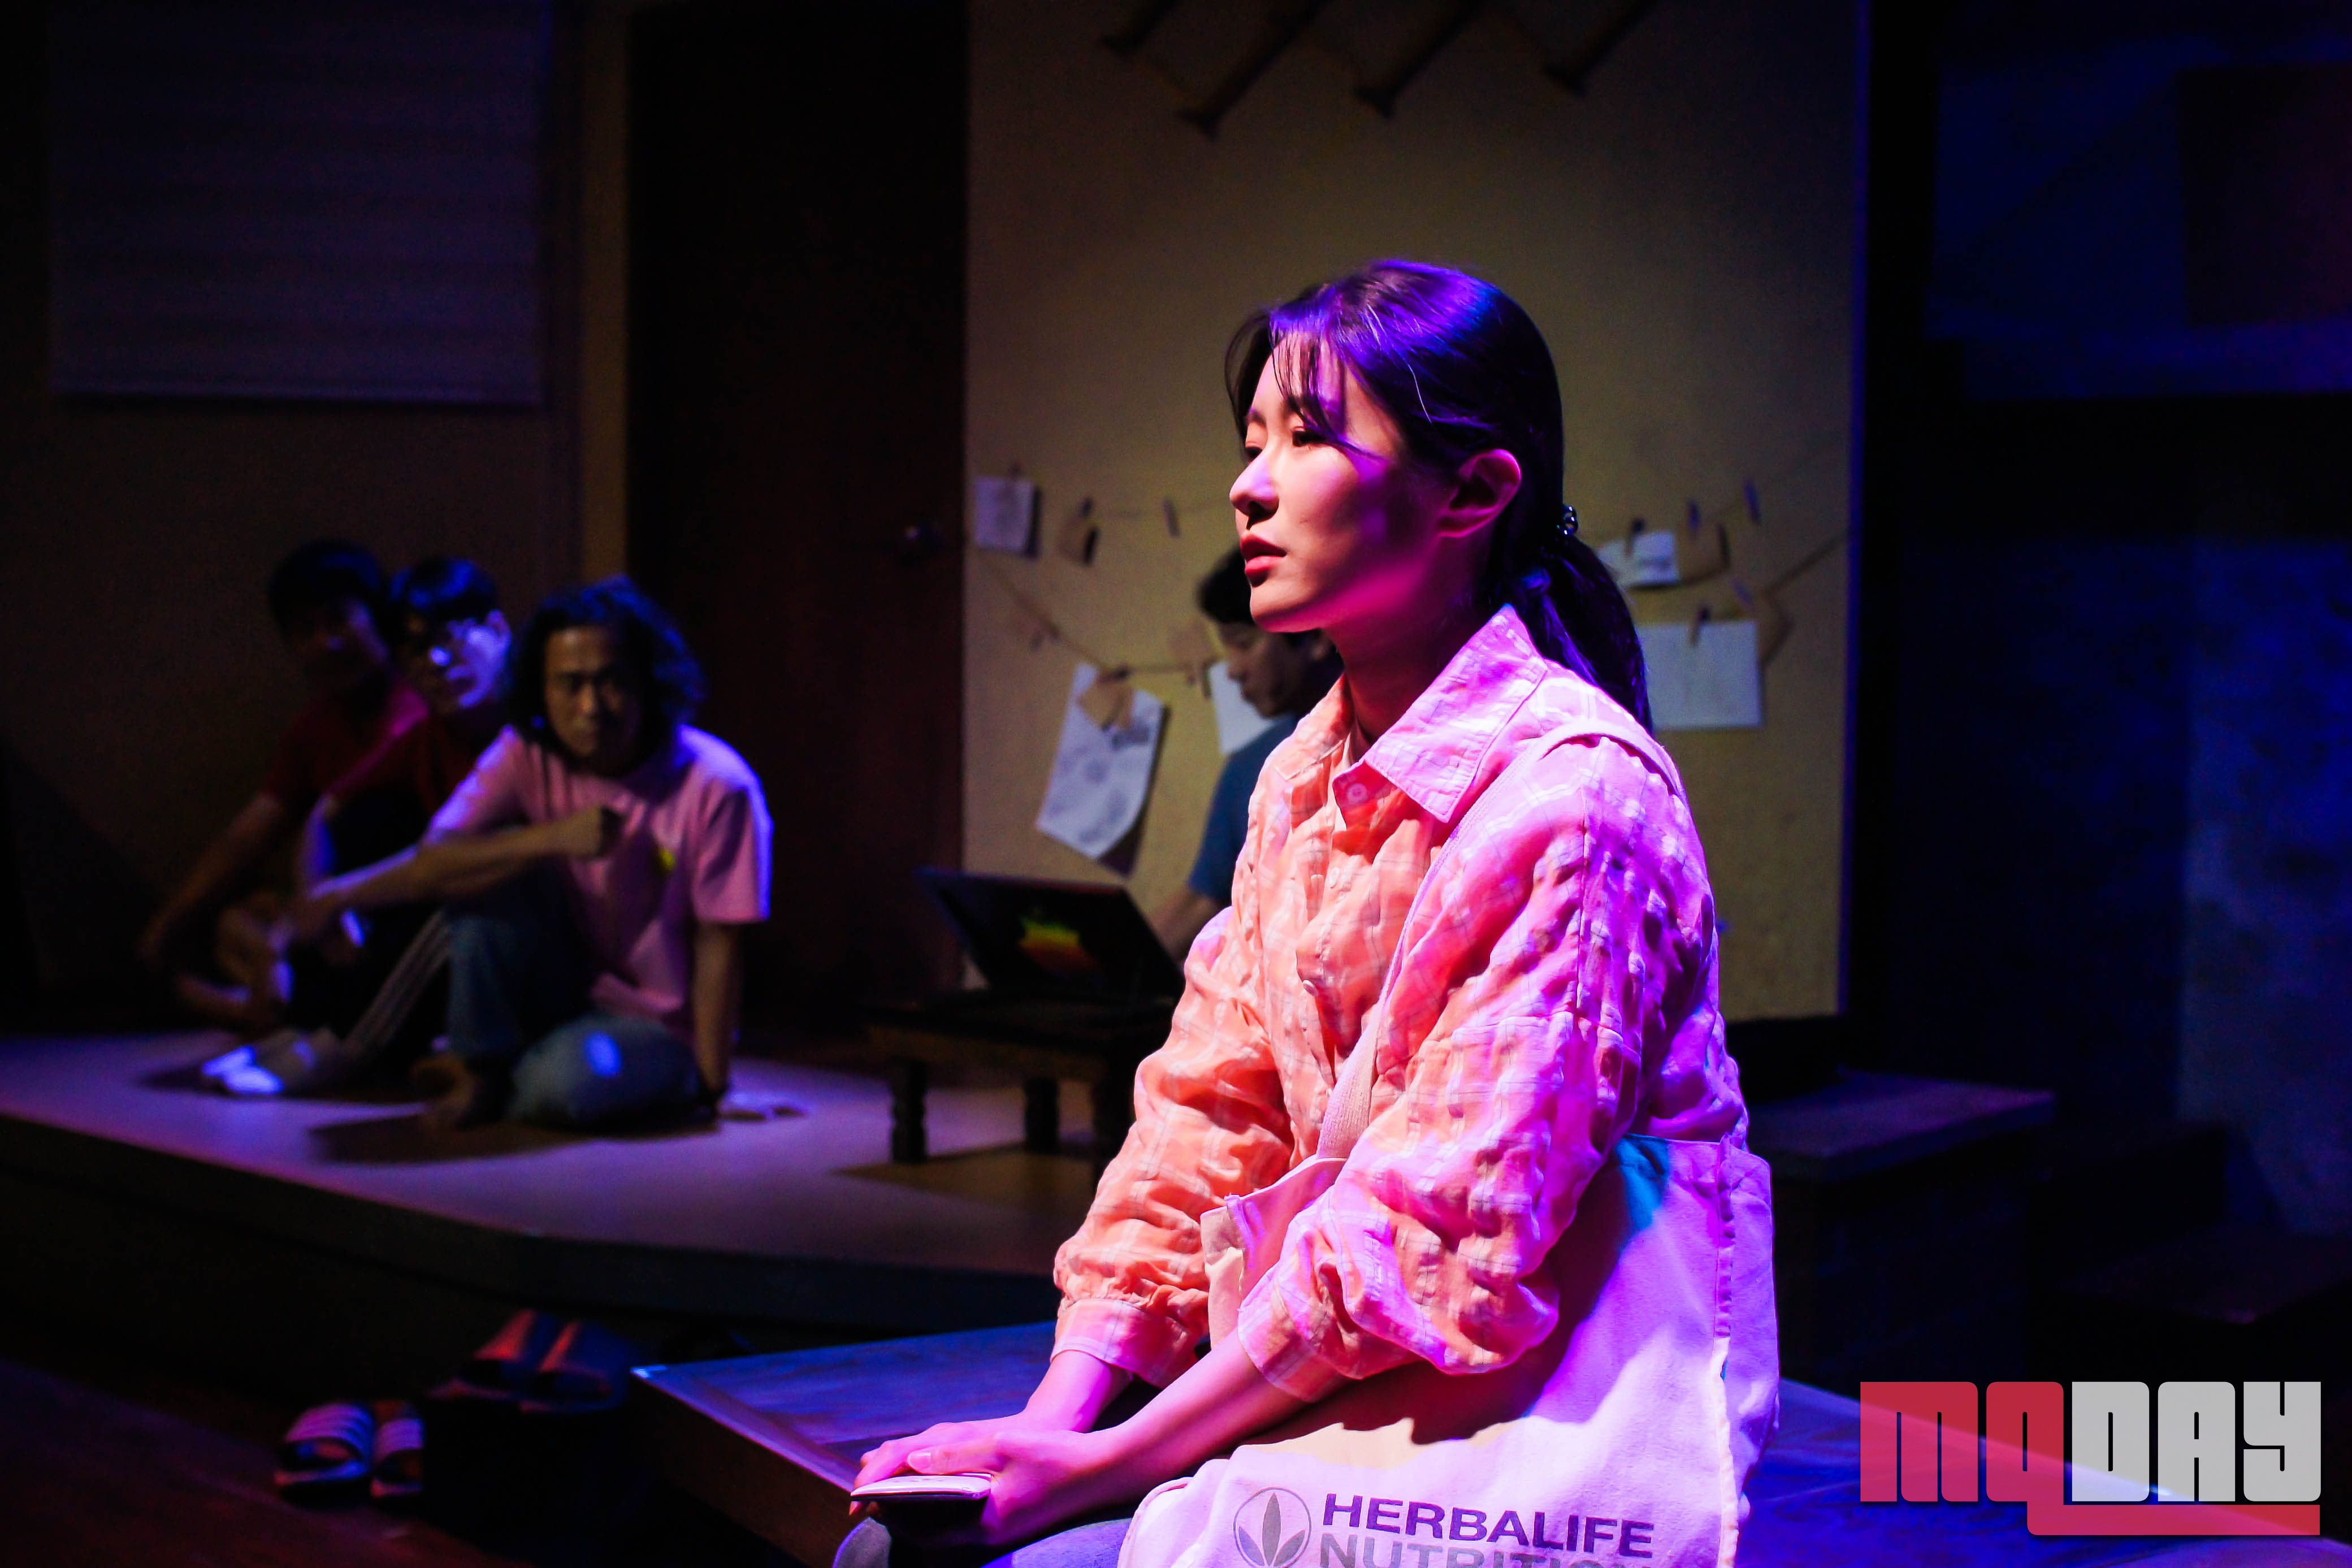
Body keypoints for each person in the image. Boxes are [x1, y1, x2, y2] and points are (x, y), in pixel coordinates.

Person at [843, 262, 1752, 1562]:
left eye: (1308, 437)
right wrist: (1054, 1418)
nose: (1248, 485)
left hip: (1525, 1399)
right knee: (909, 1540)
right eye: (1250, 439)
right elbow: (1204, 1113)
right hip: (1338, 1367)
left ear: (1472, 492)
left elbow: (1436, 1231)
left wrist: (1109, 1463)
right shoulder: (1297, 776)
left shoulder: (1578, 800)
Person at [294, 578, 770, 1133]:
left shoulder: (716, 783)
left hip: (658, 1025)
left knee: (566, 1088)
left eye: (611, 681)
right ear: (541, 691)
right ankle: (480, 1066)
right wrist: (550, 838)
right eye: (570, 685)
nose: (590, 707)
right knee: (482, 873)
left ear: (648, 681)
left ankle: (502, 1074)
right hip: (565, 991)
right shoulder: (526, 750)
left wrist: (715, 1087)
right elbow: (434, 861)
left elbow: (719, 943)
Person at [216, 557, 513, 1050]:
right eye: (417, 649)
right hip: (429, 896)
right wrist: (315, 911)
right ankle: (300, 1013)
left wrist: (337, 899)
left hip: (506, 913)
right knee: (359, 832)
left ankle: (339, 1040)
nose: (439, 661)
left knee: (448, 915)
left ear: (499, 631)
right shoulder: (425, 736)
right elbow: (325, 813)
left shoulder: (527, 732)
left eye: (453, 636)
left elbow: (458, 860)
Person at [140, 539, 426, 1025]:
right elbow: (250, 834)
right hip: (328, 914)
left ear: (378, 615)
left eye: (338, 620)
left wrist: (283, 939)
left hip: (398, 907)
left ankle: (265, 1011)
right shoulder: (316, 726)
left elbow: (351, 819)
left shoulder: (419, 705)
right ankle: (276, 1007)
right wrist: (168, 925)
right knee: (234, 922)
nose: (325, 643)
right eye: (305, 630)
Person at [1149, 549, 1337, 958]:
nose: (1232, 670)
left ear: (1316, 634)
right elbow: (1203, 899)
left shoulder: (1393, 750)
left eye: (1243, 644)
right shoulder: (1252, 768)